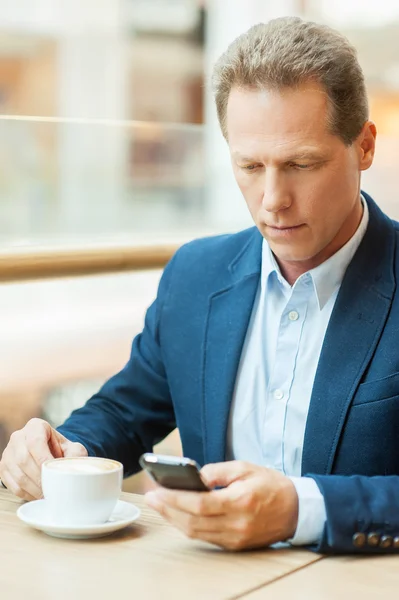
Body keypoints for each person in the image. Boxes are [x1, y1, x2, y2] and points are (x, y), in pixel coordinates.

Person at [1, 16, 399, 554]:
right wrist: (61, 449)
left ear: (365, 147)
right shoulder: (196, 276)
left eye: (301, 164)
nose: (273, 199)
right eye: (250, 165)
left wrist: (300, 510)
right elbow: (122, 413)